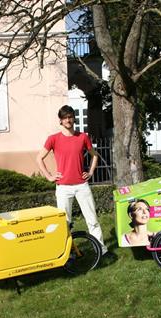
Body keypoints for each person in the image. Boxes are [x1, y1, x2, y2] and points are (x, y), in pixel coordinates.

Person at [36, 105, 113, 260]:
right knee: (65, 223)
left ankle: (102, 251)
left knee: (92, 220)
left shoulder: (82, 137)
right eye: (65, 117)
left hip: (81, 186)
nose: (68, 120)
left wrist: (90, 172)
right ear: (61, 120)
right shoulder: (53, 139)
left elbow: (95, 155)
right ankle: (68, 254)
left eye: (70, 117)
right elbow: (39, 158)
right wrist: (49, 176)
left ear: (74, 118)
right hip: (63, 187)